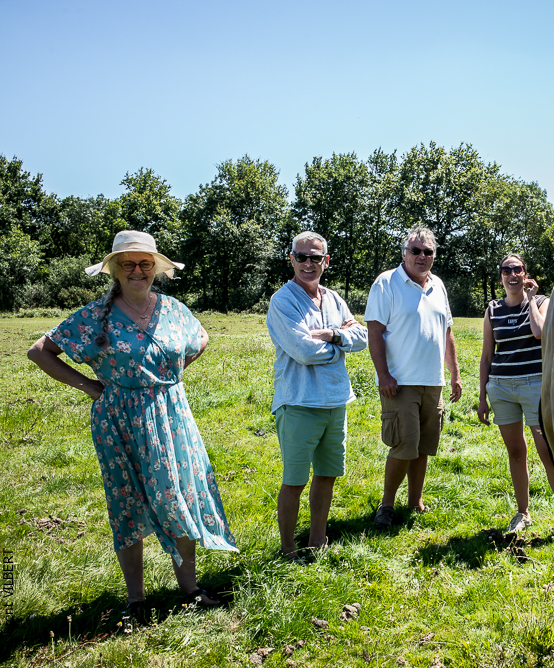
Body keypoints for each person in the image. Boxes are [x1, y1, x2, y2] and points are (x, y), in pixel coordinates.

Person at [26, 230, 237, 618]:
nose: (137, 270)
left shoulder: (174, 309)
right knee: (126, 502)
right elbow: (40, 351)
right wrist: (90, 385)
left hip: (172, 415)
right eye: (128, 263)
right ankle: (135, 599)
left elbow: (201, 337)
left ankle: (189, 589)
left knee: (178, 494)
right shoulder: (92, 315)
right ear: (115, 270)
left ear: (155, 268)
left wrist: (172, 375)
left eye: (144, 263)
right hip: (118, 418)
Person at [266, 231, 368, 559]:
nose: (307, 263)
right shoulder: (283, 301)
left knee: (327, 475)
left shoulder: (334, 298)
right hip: (298, 402)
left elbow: (362, 335)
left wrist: (335, 335)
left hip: (336, 401)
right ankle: (287, 549)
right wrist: (341, 345)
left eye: (315, 257)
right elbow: (302, 351)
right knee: (294, 480)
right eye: (301, 257)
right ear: (291, 259)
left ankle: (318, 540)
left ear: (326, 261)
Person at [365, 226, 462, 528]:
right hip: (400, 383)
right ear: (404, 253)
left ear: (434, 255)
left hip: (433, 382)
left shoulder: (438, 285)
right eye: (415, 251)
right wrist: (383, 375)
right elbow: (375, 331)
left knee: (424, 446)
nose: (422, 256)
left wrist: (455, 375)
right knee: (405, 445)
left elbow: (447, 332)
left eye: (428, 251)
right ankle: (386, 504)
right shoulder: (387, 283)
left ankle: (415, 501)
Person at [477, 254, 554, 540]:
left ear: (525, 274)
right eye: (506, 270)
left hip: (535, 386)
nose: (512, 274)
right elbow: (486, 356)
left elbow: (540, 332)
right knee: (516, 452)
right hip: (501, 388)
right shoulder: (492, 310)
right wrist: (482, 395)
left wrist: (531, 299)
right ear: (501, 278)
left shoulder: (541, 302)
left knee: (548, 454)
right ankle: (523, 512)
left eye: (517, 269)